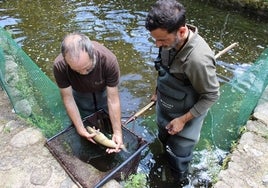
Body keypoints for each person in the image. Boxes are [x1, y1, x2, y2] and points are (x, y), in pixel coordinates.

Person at [145, 0, 220, 186]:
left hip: (185, 116)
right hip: (166, 107)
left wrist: (182, 120)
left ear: (181, 31)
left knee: (178, 158)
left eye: (162, 40)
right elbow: (162, 67)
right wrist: (157, 92)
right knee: (163, 143)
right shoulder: (167, 43)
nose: (157, 44)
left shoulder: (198, 60)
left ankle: (179, 181)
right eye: (155, 39)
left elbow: (211, 95)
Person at [53, 32, 123, 154]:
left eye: (87, 68)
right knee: (84, 121)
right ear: (65, 60)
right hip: (79, 93)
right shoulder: (60, 66)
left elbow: (113, 100)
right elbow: (68, 99)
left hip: (103, 91)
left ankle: (112, 136)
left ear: (92, 54)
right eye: (76, 70)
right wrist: (80, 129)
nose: (83, 73)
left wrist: (117, 132)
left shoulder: (108, 61)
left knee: (110, 121)